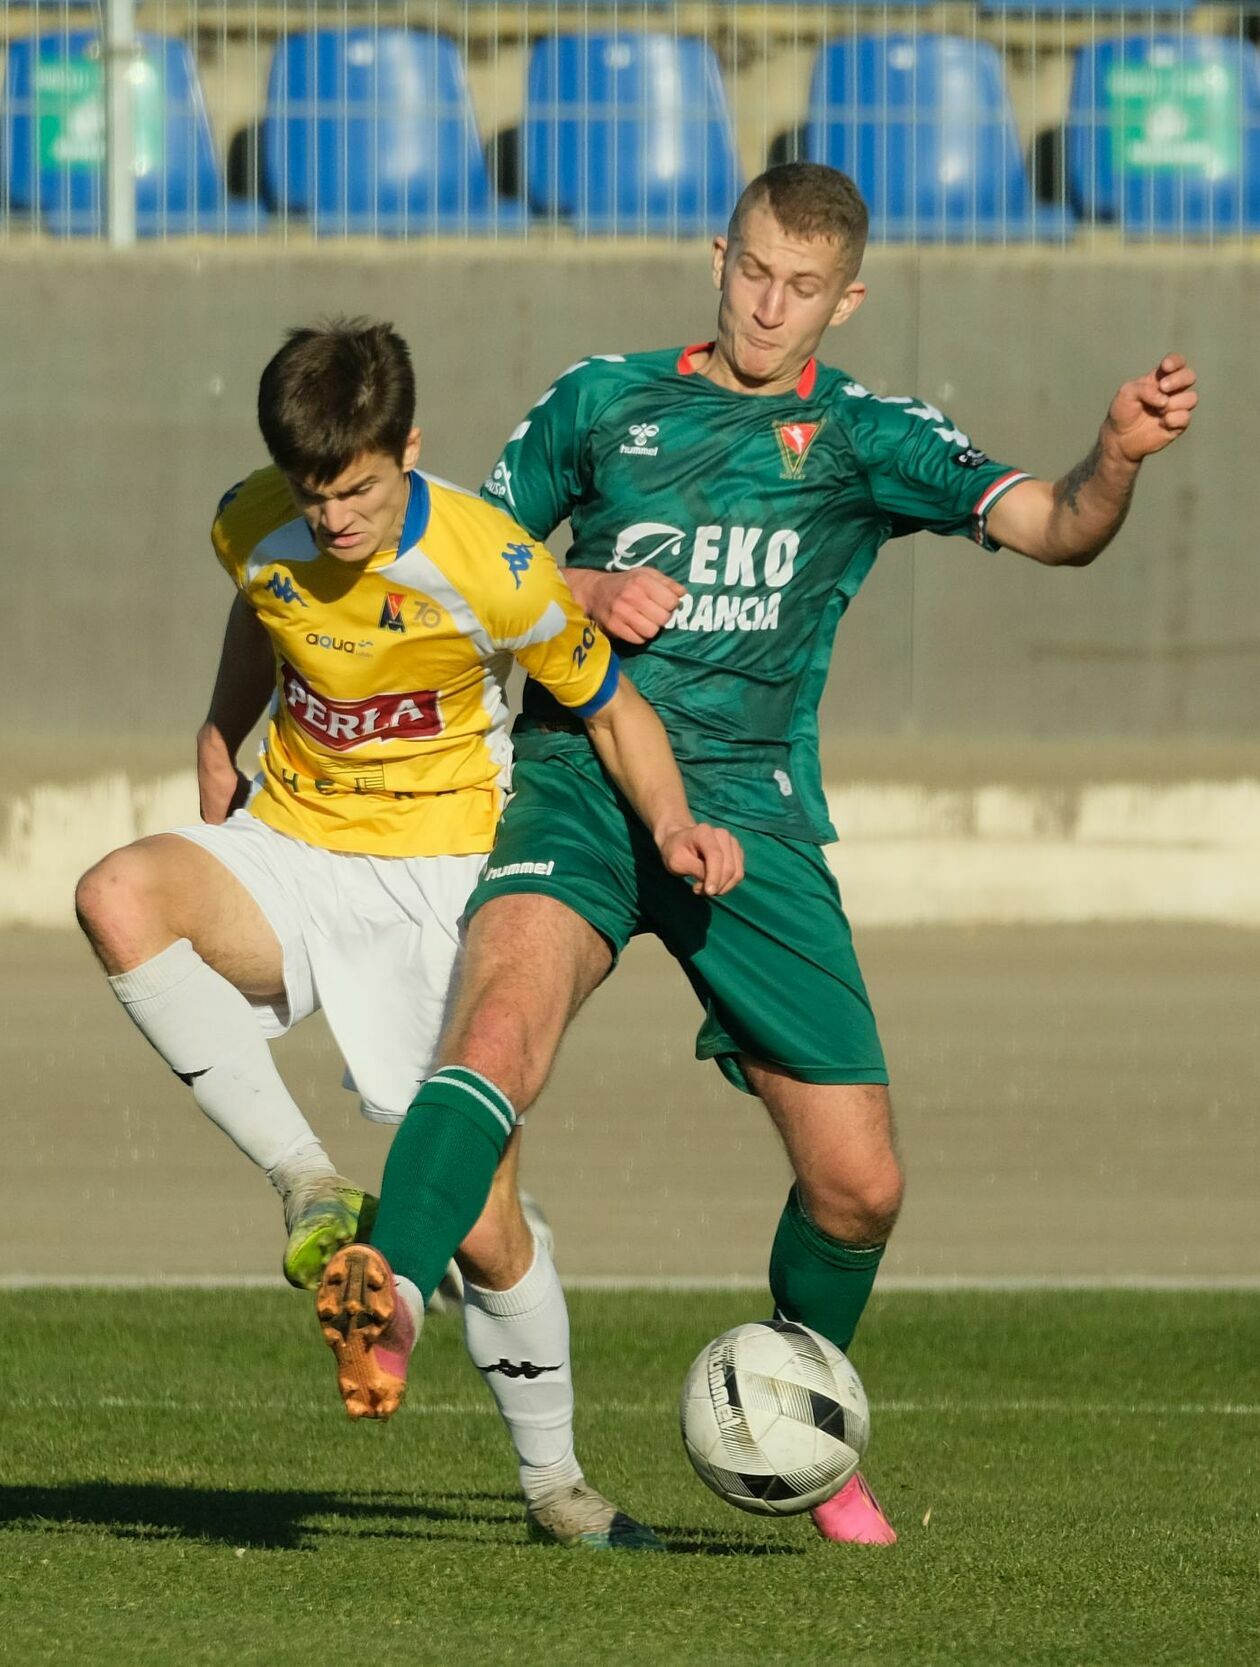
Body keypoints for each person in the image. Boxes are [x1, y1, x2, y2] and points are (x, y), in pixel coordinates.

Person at [315, 163, 1198, 1547]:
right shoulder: (600, 401)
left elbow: (1056, 527)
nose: (768, 308)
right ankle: (391, 1289)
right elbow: (460, 568)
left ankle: (789, 1405)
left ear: (847, 299)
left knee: (861, 1182)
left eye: (801, 289)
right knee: (497, 1026)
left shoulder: (860, 436)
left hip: (752, 820)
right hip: (582, 776)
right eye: (751, 273)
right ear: (715, 253)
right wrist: (579, 590)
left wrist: (1116, 458)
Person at [75, 316, 742, 1551]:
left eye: (363, 490)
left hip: (440, 888)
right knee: (117, 894)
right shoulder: (249, 518)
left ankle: (556, 1486)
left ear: (411, 449)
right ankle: (308, 1184)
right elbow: (258, 606)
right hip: (294, 848)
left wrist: (675, 823)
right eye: (317, 492)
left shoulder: (492, 565)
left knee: (487, 1235)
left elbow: (608, 706)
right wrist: (223, 726)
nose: (336, 520)